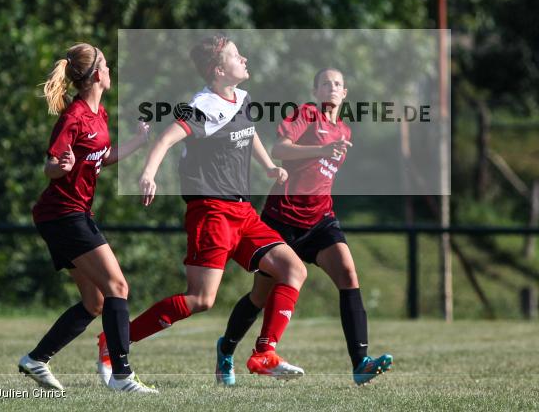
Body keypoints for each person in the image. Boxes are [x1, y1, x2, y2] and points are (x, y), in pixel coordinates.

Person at [96, 34, 308, 384]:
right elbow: (166, 138)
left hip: (243, 213)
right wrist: (148, 175)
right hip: (212, 212)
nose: (244, 59)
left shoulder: (241, 98)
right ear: (218, 70)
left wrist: (269, 166)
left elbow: (249, 131)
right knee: (200, 299)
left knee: (293, 269)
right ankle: (115, 340)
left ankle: (264, 353)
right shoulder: (203, 106)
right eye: (236, 56)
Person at [214, 68, 393, 386]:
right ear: (316, 91)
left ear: (345, 93)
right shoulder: (307, 114)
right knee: (260, 295)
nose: (332, 87)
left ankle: (361, 363)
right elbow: (279, 150)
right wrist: (321, 150)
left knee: (348, 275)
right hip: (282, 218)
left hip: (320, 220)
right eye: (325, 83)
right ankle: (226, 349)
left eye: (337, 84)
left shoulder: (344, 131)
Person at [17, 43, 156, 394]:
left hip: (71, 214)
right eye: (105, 65)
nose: (110, 70)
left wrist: (139, 141)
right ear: (95, 76)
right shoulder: (74, 117)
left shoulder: (99, 114)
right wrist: (59, 167)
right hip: (62, 214)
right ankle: (122, 376)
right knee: (118, 287)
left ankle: (36, 359)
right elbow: (50, 165)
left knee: (95, 302)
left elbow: (102, 157)